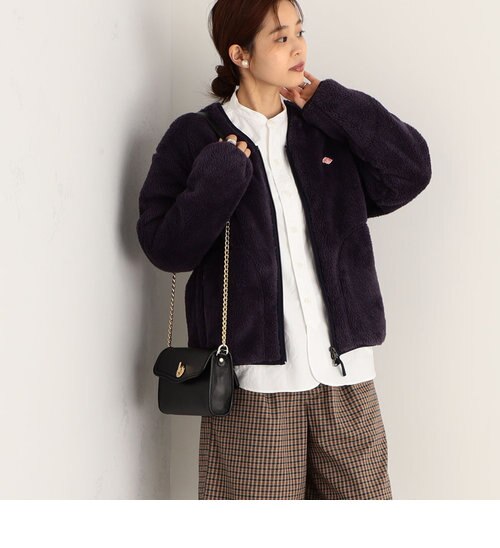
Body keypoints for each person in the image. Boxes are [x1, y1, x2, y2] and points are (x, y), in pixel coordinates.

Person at [136, 0, 432, 500]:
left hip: (346, 380)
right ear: (240, 54)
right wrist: (221, 176)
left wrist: (332, 103)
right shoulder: (197, 136)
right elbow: (167, 249)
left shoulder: (322, 128)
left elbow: (410, 171)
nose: (298, 47)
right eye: (280, 37)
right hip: (253, 386)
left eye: (300, 31)